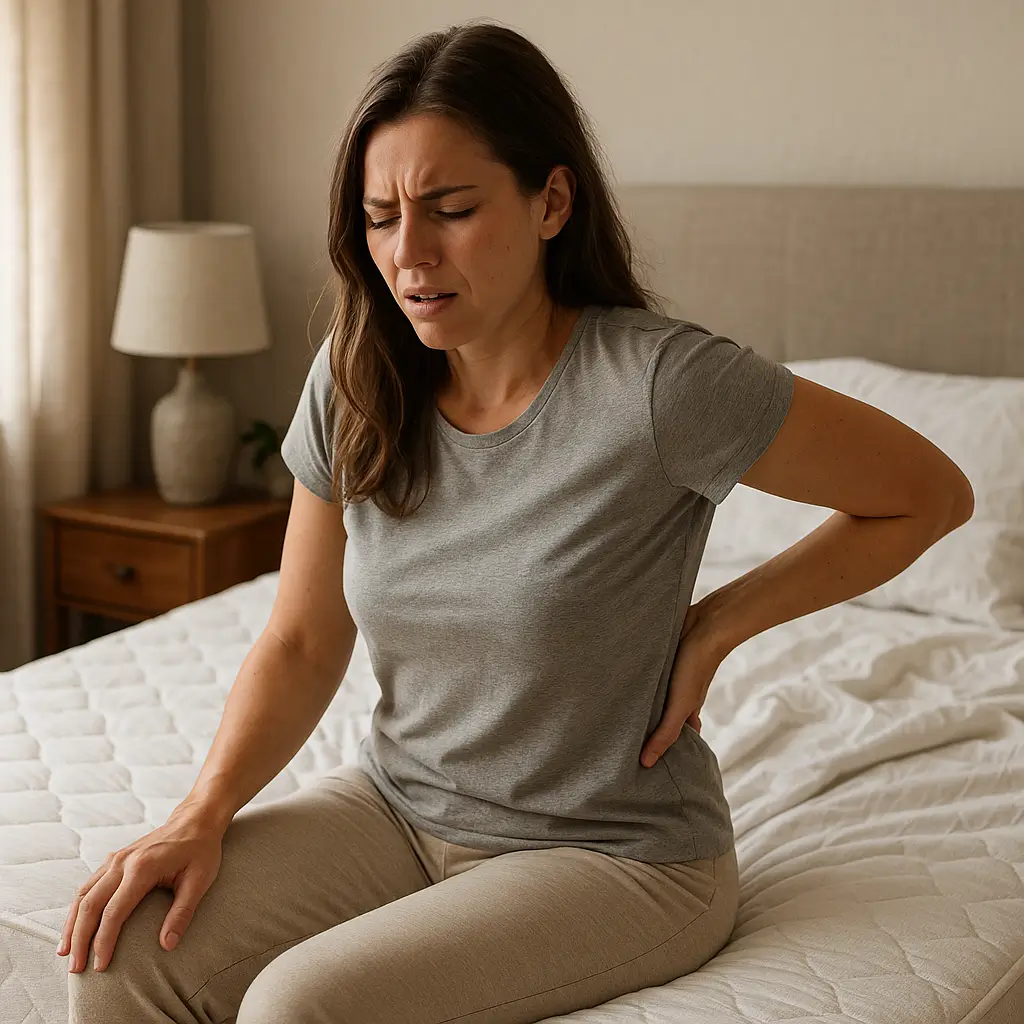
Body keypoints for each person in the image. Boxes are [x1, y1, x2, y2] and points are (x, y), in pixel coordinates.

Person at [62, 18, 975, 1024]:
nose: (408, 254)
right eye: (378, 217)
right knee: (121, 955)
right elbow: (299, 634)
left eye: (450, 209)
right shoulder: (359, 379)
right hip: (397, 806)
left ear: (550, 201)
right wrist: (201, 814)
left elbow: (927, 494)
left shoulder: (661, 387)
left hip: (616, 854)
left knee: (298, 1006)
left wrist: (716, 622)